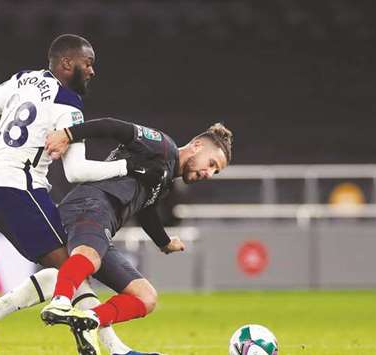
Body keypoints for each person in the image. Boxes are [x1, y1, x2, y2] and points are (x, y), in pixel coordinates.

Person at [0, 34, 163, 355]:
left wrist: (15, 99)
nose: (92, 71)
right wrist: (128, 167)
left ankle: (105, 345)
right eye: (88, 63)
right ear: (68, 63)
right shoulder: (68, 104)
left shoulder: (23, 79)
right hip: (21, 187)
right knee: (73, 270)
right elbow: (76, 172)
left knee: (66, 272)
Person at [39, 119, 233, 355]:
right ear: (196, 145)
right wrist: (68, 134)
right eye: (211, 163)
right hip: (90, 205)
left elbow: (146, 212)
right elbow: (113, 127)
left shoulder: (164, 181)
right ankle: (60, 302)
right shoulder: (163, 146)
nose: (209, 174)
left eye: (215, 171)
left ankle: (88, 321)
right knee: (89, 257)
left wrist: (164, 242)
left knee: (146, 297)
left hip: (103, 225)